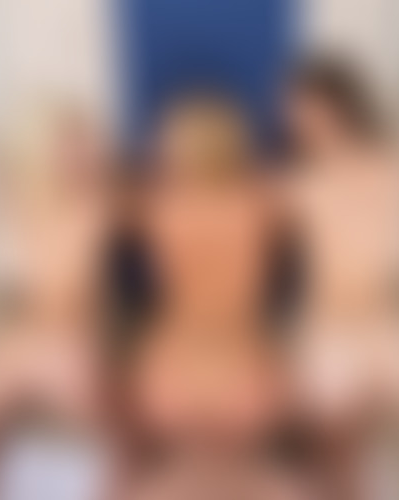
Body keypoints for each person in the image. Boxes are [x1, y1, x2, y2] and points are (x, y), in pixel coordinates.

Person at [119, 92, 311, 500]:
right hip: (249, 372)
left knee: (185, 475)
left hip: (168, 374)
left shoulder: (153, 203)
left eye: (165, 146)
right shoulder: (267, 199)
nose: (158, 153)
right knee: (238, 475)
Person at [281, 57, 399, 499]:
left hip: (376, 336)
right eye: (294, 113)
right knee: (333, 455)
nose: (299, 122)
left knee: (346, 456)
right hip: (328, 334)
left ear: (341, 106)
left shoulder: (392, 168)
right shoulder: (300, 182)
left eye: (308, 110)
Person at [0, 100, 118, 500]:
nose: (78, 159)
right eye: (67, 148)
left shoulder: (102, 206)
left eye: (84, 149)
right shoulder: (27, 200)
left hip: (73, 335)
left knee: (100, 421)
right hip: (24, 331)